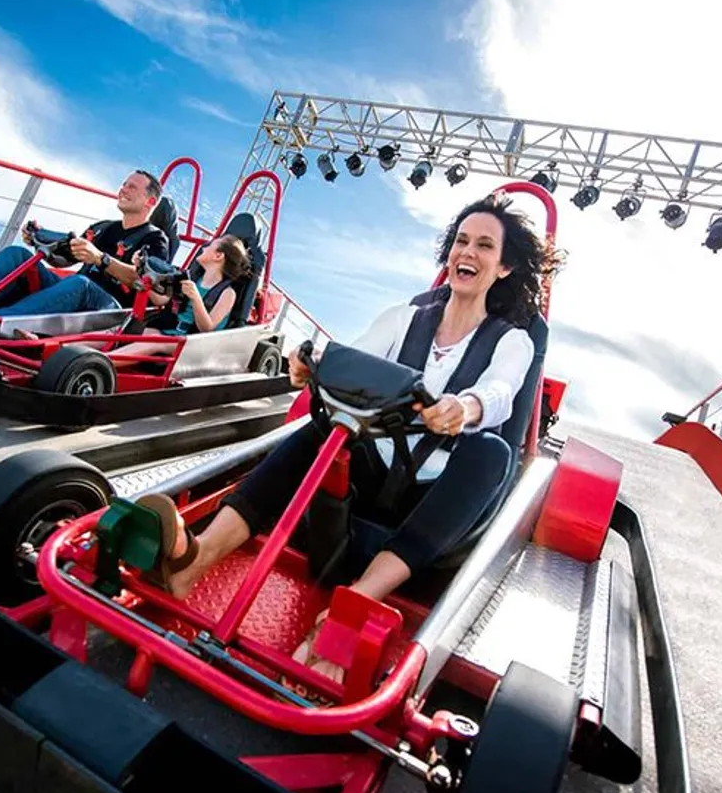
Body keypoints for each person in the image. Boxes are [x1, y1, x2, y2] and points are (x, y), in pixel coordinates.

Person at [138, 192, 562, 684]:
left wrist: (465, 407)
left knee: (492, 452)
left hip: (440, 492)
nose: (467, 252)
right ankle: (196, 558)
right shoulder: (405, 319)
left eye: (484, 246)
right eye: (461, 241)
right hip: (374, 470)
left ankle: (356, 602)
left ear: (505, 267)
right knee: (316, 429)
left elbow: (501, 391)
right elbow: (351, 359)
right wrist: (311, 367)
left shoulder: (513, 339)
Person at [0, 169, 171, 318]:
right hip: (75, 291)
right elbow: (64, 258)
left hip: (109, 310)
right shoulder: (103, 227)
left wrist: (100, 259)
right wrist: (39, 241)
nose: (123, 189)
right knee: (16, 254)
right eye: (123, 184)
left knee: (80, 283)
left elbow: (152, 286)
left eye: (132, 187)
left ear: (150, 201)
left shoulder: (155, 238)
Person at [107, 234, 251, 357]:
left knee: (153, 340)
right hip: (171, 331)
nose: (204, 247)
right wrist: (142, 274)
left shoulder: (227, 293)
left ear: (218, 256)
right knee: (124, 331)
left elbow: (207, 328)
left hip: (194, 343)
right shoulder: (192, 279)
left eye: (210, 246)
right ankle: (87, 350)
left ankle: (99, 362)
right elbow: (162, 300)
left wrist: (196, 299)